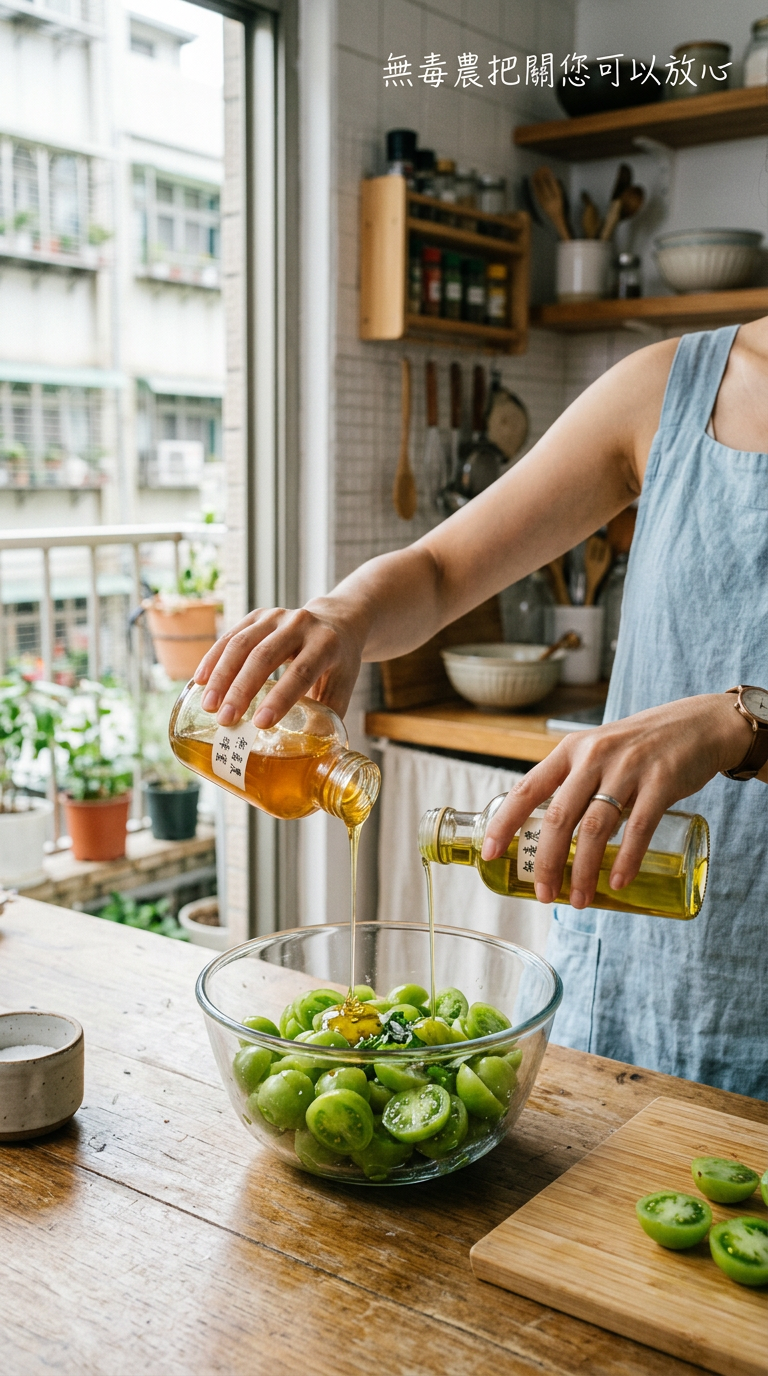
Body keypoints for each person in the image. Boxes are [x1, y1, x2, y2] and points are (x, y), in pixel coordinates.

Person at [195, 323, 768, 1099]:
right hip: (631, 984)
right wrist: (346, 613)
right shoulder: (674, 385)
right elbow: (440, 569)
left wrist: (745, 722)